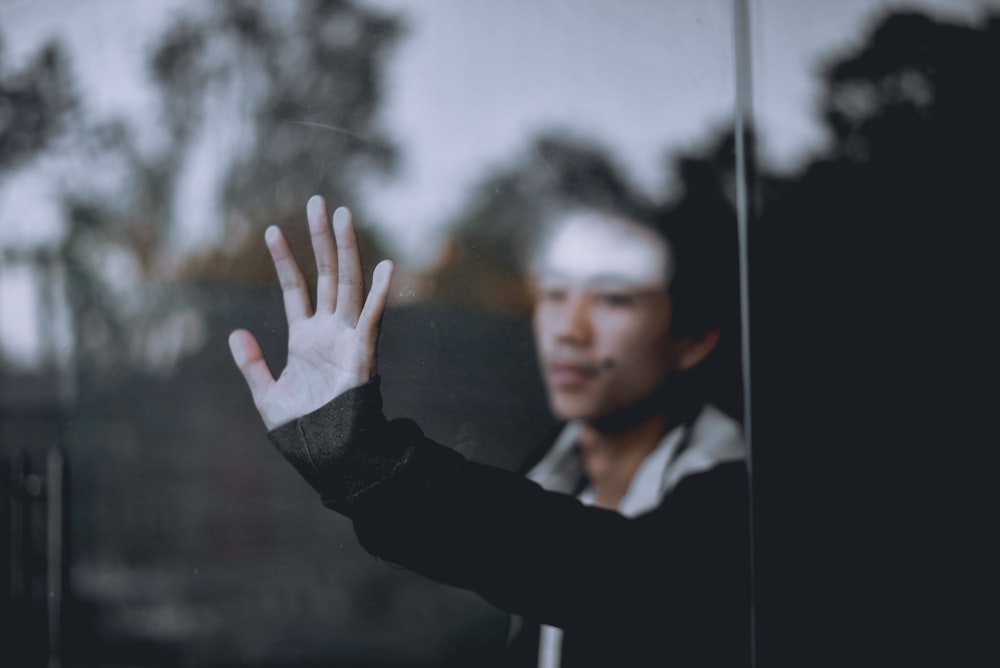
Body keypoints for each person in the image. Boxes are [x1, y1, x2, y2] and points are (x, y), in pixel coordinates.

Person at [228, 194, 751, 667]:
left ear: (693, 338)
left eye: (613, 298)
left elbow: (620, 575)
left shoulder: (741, 501)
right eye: (554, 294)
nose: (569, 328)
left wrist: (366, 460)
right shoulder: (545, 472)